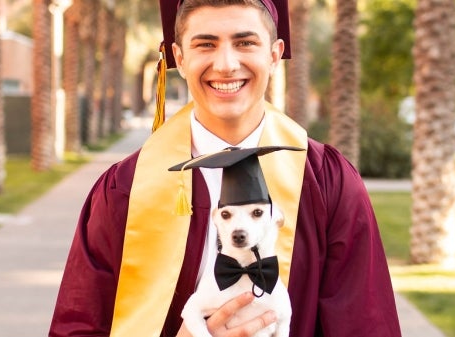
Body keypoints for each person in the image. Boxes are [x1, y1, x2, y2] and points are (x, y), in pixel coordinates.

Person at [49, 0, 402, 336]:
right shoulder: (125, 190)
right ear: (179, 58)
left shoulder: (327, 182)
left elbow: (365, 324)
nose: (226, 64)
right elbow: (80, 325)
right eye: (206, 44)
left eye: (245, 42)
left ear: (275, 54)